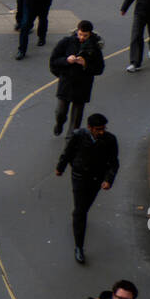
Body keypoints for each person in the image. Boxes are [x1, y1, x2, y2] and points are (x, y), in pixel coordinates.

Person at [55, 113, 119, 264]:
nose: (101, 132)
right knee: (81, 210)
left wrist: (108, 180)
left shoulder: (110, 140)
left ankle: (79, 216)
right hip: (79, 177)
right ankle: (79, 246)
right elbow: (68, 153)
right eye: (98, 129)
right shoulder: (78, 136)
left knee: (85, 206)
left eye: (103, 129)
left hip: (96, 179)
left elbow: (114, 162)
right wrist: (60, 167)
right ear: (89, 128)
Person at [50, 20, 105, 136]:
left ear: (90, 34)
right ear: (77, 31)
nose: (82, 37)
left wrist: (85, 64)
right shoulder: (66, 42)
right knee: (60, 112)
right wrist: (66, 61)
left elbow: (99, 69)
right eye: (80, 34)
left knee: (76, 120)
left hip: (83, 86)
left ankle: (70, 141)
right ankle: (59, 123)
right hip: (66, 83)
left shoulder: (95, 48)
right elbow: (54, 60)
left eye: (85, 36)